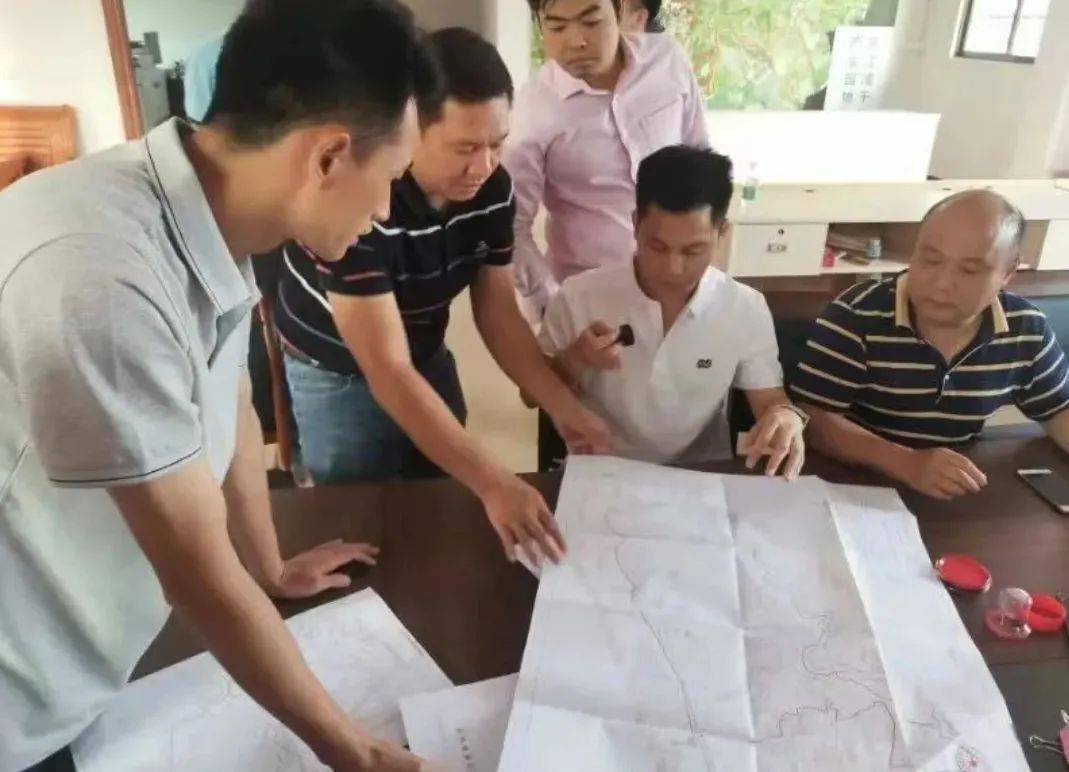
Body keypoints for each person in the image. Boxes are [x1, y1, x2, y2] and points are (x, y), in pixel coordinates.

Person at [0, 1, 440, 770]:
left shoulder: (207, 214)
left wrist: (268, 567)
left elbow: (226, 394)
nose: (381, 213)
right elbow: (197, 575)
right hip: (21, 691)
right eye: (390, 179)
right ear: (328, 156)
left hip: (89, 663)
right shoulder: (103, 274)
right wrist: (357, 753)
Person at [276, 27, 609, 566]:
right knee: (358, 516)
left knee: (443, 496)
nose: (484, 166)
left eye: (497, 144)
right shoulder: (363, 199)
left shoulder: (492, 189)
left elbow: (497, 311)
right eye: (465, 148)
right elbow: (386, 369)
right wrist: (495, 480)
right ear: (411, 128)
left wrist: (564, 407)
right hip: (337, 369)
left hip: (422, 349)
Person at [539, 145, 808, 476]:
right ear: (635, 224)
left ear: (722, 232)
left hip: (700, 474)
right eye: (657, 247)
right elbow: (530, 393)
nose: (673, 269)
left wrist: (786, 417)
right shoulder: (579, 296)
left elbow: (769, 401)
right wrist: (574, 359)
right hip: (603, 470)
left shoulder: (744, 307)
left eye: (693, 250)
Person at [790, 190, 1069, 500]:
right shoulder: (858, 314)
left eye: (969, 270)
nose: (942, 283)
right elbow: (813, 418)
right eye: (931, 259)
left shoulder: (1025, 328)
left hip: (954, 490)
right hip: (858, 483)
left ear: (1008, 272)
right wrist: (906, 462)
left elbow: (1059, 410)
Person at [506, 0, 710, 319]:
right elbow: (512, 226)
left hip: (680, 291)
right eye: (557, 27)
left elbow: (702, 166)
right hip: (590, 305)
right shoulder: (533, 110)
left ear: (619, 11)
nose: (576, 41)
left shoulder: (667, 61)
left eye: (591, 22)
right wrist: (553, 307)